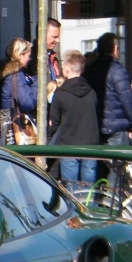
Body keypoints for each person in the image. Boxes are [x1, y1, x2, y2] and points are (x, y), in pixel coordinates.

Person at [47, 50, 98, 190]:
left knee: (70, 191)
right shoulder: (92, 92)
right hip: (91, 146)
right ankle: (89, 210)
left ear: (67, 70)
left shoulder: (61, 94)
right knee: (89, 190)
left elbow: (54, 123)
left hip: (68, 145)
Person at [84, 32, 132, 148]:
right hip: (117, 127)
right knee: (118, 163)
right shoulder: (118, 71)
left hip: (95, 125)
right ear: (115, 49)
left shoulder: (89, 70)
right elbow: (128, 101)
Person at [0, 37, 37, 145]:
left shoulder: (4, 73)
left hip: (5, 127)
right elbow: (28, 103)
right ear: (20, 55)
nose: (30, 59)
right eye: (28, 55)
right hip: (16, 130)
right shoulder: (16, 75)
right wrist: (36, 83)